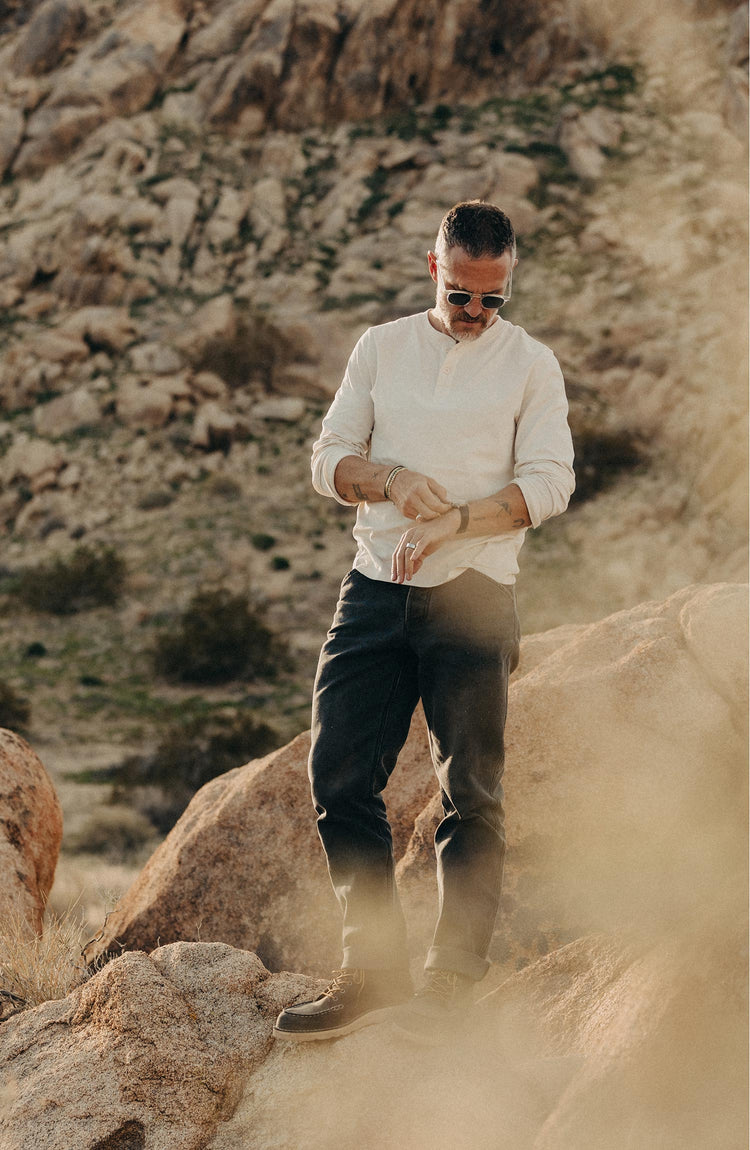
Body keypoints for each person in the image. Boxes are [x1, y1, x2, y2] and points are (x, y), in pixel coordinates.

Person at [273, 200, 575, 1044]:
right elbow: (328, 458)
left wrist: (459, 522)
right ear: (432, 268)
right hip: (374, 588)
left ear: (507, 284)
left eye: (494, 299)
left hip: (476, 593)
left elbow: (551, 483)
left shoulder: (532, 366)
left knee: (469, 794)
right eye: (463, 296)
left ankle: (450, 988)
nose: (477, 314)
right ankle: (370, 974)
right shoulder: (381, 346)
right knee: (338, 776)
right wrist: (393, 479)